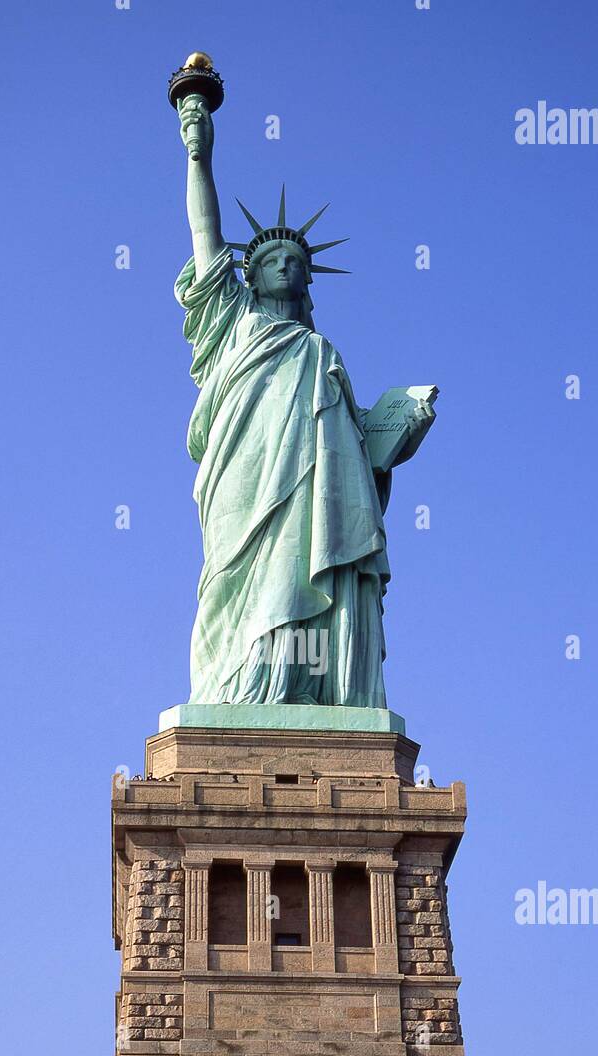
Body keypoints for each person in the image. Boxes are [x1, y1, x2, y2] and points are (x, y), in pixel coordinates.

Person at [173, 91, 435, 708]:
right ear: (250, 274)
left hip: (315, 497)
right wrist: (198, 157)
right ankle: (238, 691)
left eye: (296, 259)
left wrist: (390, 437)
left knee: (304, 570)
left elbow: (354, 464)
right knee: (234, 584)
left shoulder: (324, 355)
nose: (285, 265)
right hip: (243, 481)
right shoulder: (231, 324)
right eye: (270, 259)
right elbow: (205, 233)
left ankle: (307, 688)